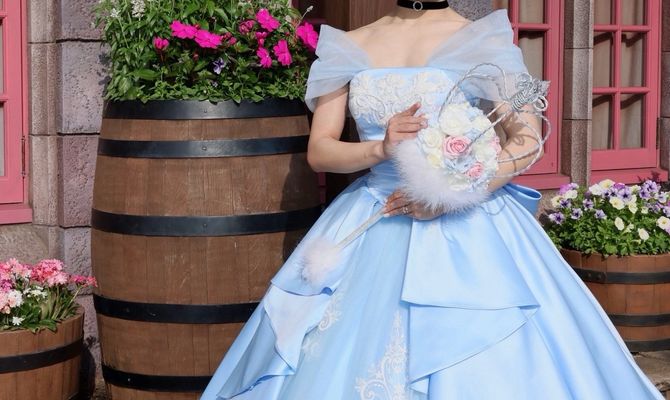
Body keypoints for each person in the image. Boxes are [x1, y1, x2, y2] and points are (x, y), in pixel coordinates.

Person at [201, 2, 664, 399]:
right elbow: (320, 151)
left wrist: (455, 192)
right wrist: (379, 150)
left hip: (468, 220)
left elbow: (525, 139)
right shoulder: (348, 45)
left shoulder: (482, 38)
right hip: (376, 210)